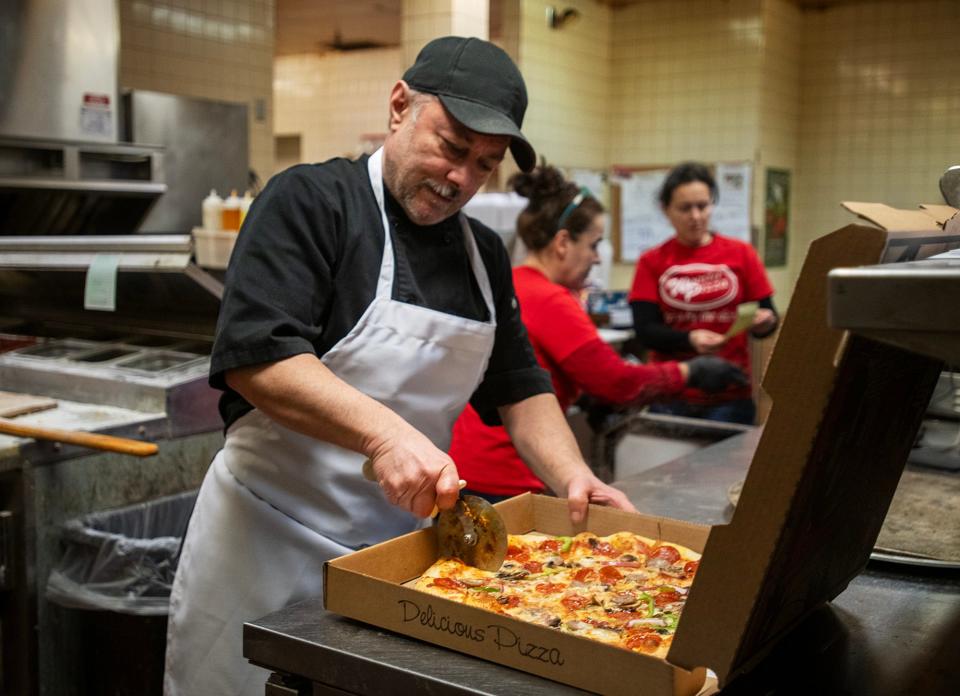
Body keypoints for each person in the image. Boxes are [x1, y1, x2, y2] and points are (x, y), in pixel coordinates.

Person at [163, 36, 634, 696]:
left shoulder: (483, 257)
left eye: (484, 164)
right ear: (398, 107)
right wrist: (385, 435)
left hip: (398, 559)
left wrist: (575, 478)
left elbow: (519, 386)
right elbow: (258, 358)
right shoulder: (311, 201)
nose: (461, 178)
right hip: (263, 543)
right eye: (451, 146)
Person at [448, 165, 747, 500]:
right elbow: (616, 382)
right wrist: (690, 372)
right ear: (563, 242)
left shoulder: (514, 281)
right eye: (594, 245)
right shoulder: (550, 299)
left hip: (467, 466)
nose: (594, 259)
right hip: (507, 473)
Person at [628, 162, 779, 425]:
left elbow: (768, 317)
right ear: (666, 210)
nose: (696, 216)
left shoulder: (741, 254)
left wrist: (765, 322)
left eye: (703, 205)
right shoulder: (652, 261)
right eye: (685, 208)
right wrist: (689, 339)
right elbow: (645, 331)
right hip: (670, 396)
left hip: (730, 394)